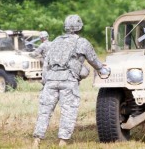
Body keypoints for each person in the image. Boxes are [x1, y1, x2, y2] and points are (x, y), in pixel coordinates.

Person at [32, 15, 105, 147]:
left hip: (51, 80)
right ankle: (62, 142)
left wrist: (45, 81)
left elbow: (47, 63)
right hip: (68, 81)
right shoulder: (82, 42)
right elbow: (93, 60)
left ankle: (36, 140)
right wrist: (102, 69)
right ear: (80, 27)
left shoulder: (55, 41)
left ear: (65, 27)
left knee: (44, 111)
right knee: (68, 111)